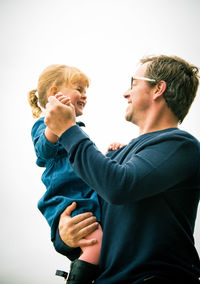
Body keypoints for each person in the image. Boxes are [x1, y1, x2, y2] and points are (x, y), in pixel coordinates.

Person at [44, 55, 200, 284]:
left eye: (133, 84)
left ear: (158, 88)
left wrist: (68, 130)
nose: (126, 93)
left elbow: (119, 186)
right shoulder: (117, 156)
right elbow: (92, 212)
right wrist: (65, 236)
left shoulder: (181, 146)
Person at [28, 64, 105, 284]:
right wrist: (56, 122)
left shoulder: (77, 130)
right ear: (54, 93)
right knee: (96, 244)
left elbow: (93, 164)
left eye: (85, 91)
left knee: (100, 244)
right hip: (68, 200)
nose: (84, 95)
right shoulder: (43, 125)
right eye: (79, 89)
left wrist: (111, 152)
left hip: (85, 199)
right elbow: (43, 150)